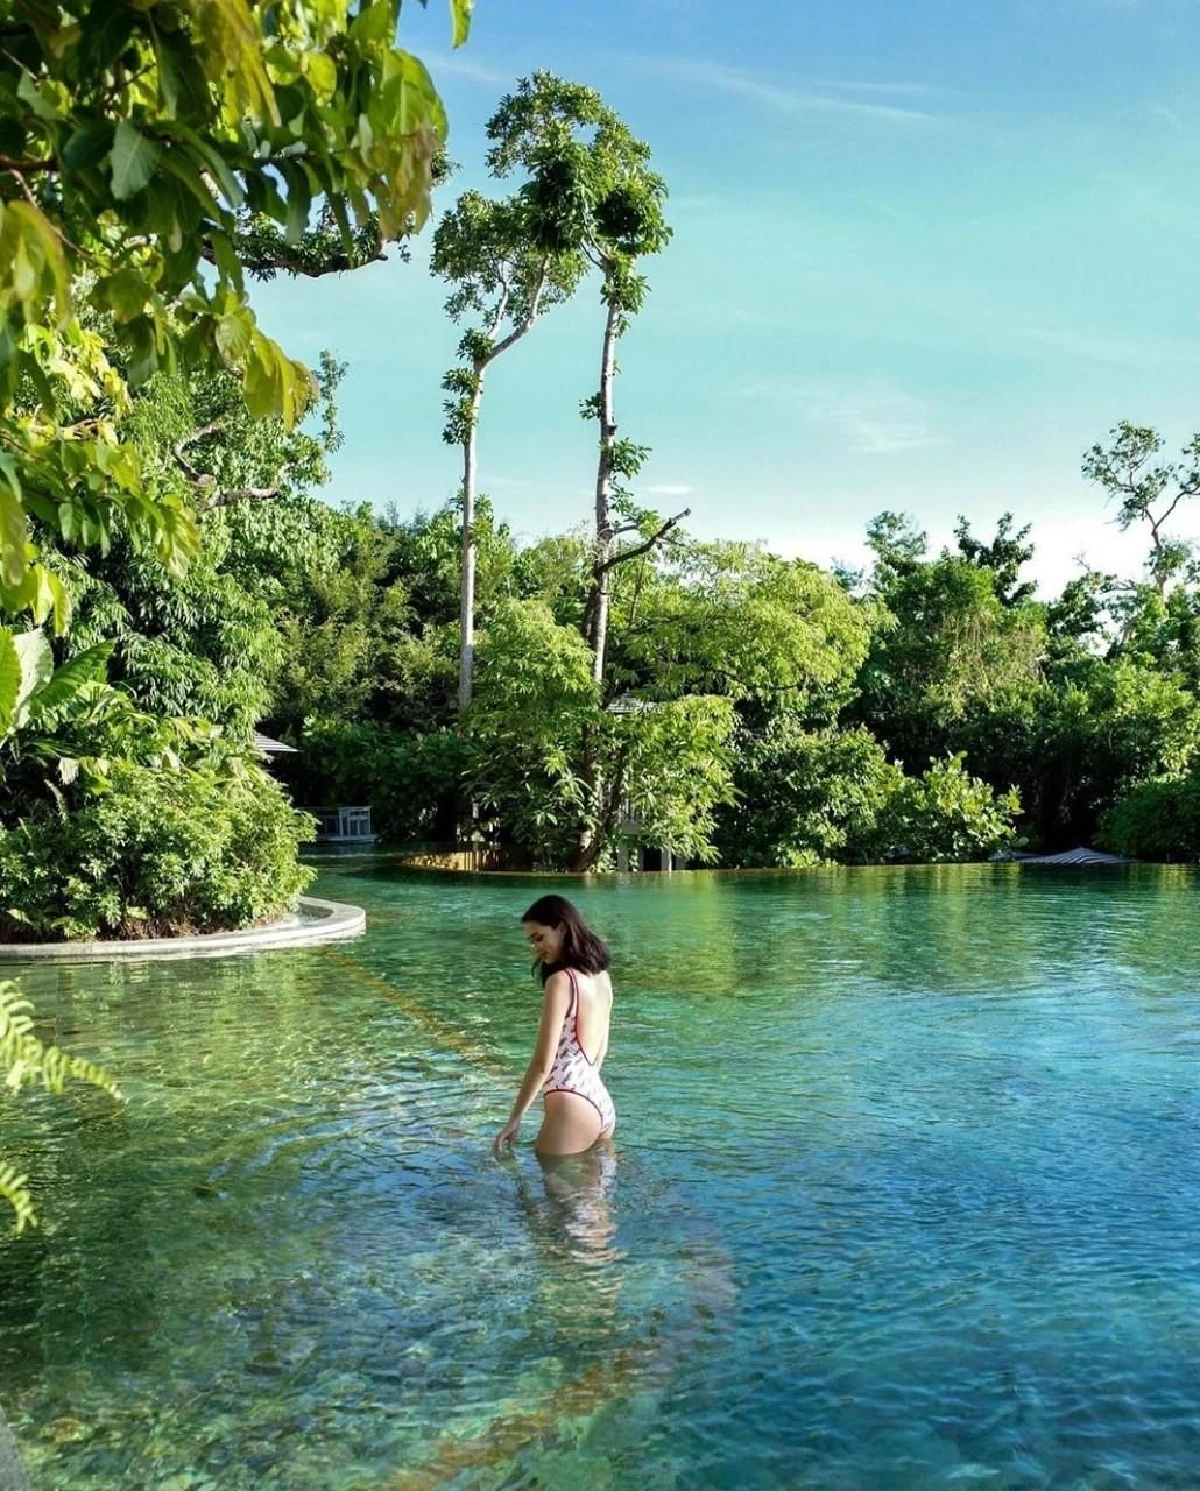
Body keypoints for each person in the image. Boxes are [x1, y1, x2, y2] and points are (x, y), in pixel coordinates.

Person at [493, 895, 616, 1157]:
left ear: (561, 928)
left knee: (555, 1196)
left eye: (539, 937)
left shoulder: (561, 982)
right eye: (531, 940)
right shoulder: (602, 977)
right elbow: (601, 1051)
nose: (535, 947)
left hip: (570, 1098)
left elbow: (542, 1064)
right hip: (599, 1099)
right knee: (593, 1197)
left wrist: (514, 1119)